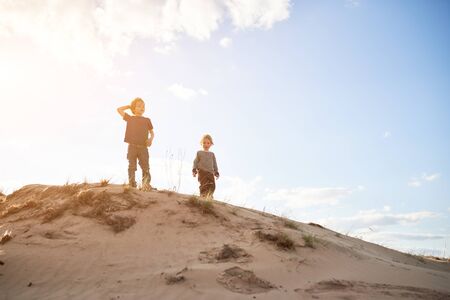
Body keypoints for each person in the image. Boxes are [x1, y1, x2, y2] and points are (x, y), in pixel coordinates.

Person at [117, 98, 154, 190]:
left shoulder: (147, 120)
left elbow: (152, 132)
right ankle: (132, 184)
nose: (142, 107)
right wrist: (129, 106)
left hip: (143, 147)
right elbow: (119, 109)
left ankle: (146, 185)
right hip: (132, 146)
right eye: (139, 106)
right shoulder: (130, 118)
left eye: (143, 106)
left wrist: (151, 139)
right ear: (134, 108)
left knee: (145, 166)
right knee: (132, 166)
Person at [192, 134, 219, 199]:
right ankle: (203, 196)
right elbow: (195, 161)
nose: (206, 145)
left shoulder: (212, 154)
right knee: (204, 184)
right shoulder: (199, 153)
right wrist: (194, 170)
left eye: (208, 143)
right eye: (204, 143)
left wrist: (216, 172)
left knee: (212, 185)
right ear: (201, 143)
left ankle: (209, 196)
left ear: (211, 144)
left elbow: (214, 164)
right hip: (202, 171)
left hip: (210, 172)